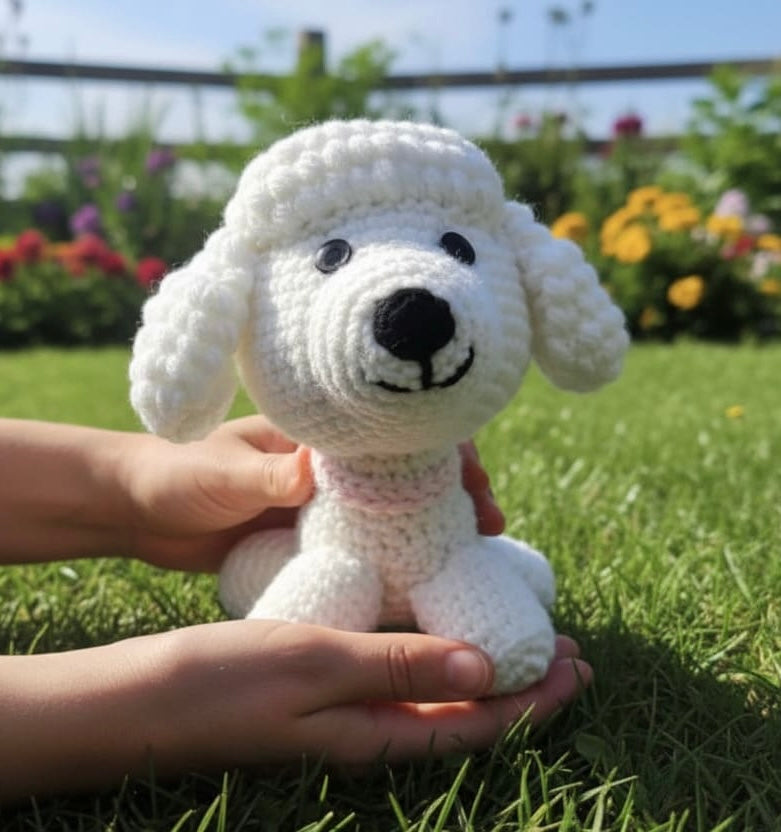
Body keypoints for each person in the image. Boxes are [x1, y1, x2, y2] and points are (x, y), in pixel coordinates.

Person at [0, 415, 592, 803]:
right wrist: (148, 705)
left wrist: (128, 485)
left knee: (509, 647)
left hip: (440, 552)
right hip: (328, 555)